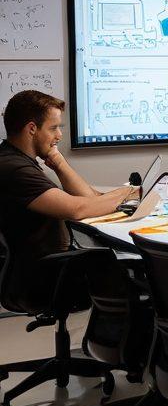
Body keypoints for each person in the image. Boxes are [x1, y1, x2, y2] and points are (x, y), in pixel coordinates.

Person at [1, 90, 136, 304]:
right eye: (53, 128)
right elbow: (78, 209)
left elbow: (88, 198)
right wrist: (129, 191)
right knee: (138, 271)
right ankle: (119, 335)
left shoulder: (19, 160)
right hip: (43, 277)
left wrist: (59, 163)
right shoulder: (14, 168)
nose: (59, 136)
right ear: (32, 129)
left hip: (50, 266)